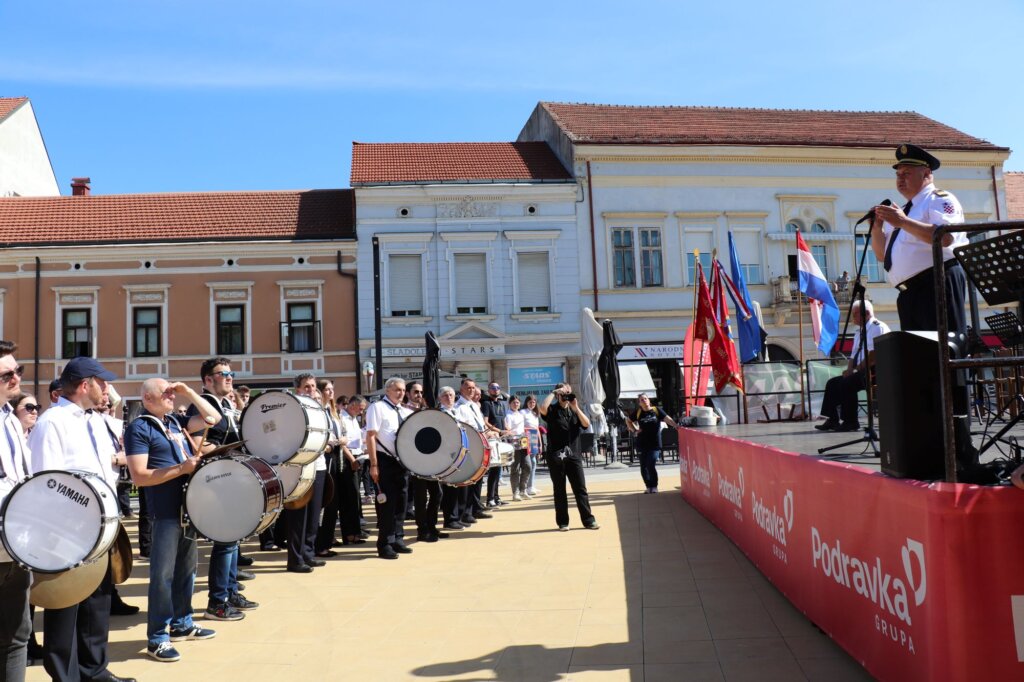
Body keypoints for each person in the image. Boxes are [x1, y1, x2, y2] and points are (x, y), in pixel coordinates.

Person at [27, 356, 136, 682]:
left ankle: (94, 669)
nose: (108, 389)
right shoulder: (52, 422)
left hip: (100, 525)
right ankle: (66, 675)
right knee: (66, 605)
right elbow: (46, 479)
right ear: (85, 385)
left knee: (97, 601)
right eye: (102, 383)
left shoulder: (93, 421)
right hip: (67, 527)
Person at [871, 143, 974, 466]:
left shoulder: (939, 199)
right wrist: (878, 228)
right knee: (921, 367)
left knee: (946, 362)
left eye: (907, 173)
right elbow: (881, 255)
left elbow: (946, 237)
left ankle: (959, 448)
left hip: (937, 282)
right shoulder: (909, 209)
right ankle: (931, 443)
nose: (900, 179)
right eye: (898, 174)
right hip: (911, 292)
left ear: (926, 174)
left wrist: (901, 222)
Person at [125, 378, 220, 662]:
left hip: (186, 508)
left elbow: (212, 418)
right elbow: (139, 477)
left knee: (186, 572)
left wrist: (189, 391)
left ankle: (182, 623)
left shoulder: (175, 422)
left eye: (171, 391)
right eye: (165, 392)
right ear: (147, 398)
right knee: (162, 577)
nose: (171, 395)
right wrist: (182, 468)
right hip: (164, 511)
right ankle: (157, 637)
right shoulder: (140, 427)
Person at [186, 357, 257, 619]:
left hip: (231, 478)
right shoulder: (205, 405)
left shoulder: (226, 405)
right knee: (225, 541)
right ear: (207, 380)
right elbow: (194, 442)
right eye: (222, 373)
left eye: (231, 373)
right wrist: (221, 450)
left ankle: (229, 590)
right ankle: (217, 601)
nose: (229, 377)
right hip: (216, 480)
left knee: (232, 540)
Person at [0, 342, 32, 682]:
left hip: (17, 544)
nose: (15, 378)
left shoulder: (11, 418)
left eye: (17, 371)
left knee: (16, 638)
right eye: (7, 374)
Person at [815, 300, 891, 432]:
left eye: (855, 314)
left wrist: (854, 370)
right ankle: (832, 419)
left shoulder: (877, 327)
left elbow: (873, 356)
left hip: (876, 370)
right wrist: (849, 369)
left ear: (866, 313)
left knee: (848, 383)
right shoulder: (859, 332)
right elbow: (853, 355)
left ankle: (851, 421)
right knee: (832, 383)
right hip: (861, 370)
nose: (853, 318)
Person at [539, 383, 599, 531]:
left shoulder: (574, 411)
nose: (566, 396)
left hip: (574, 455)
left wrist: (576, 407)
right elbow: (542, 408)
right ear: (558, 394)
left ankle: (588, 520)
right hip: (556, 456)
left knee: (580, 489)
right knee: (559, 490)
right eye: (563, 393)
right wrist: (554, 392)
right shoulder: (552, 410)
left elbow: (586, 423)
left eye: (568, 393)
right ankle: (563, 522)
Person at [365, 377, 413, 559]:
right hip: (385, 461)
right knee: (387, 505)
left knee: (401, 503)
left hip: (402, 462)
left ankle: (397, 538)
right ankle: (384, 544)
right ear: (388, 391)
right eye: (397, 390)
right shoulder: (377, 408)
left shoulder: (403, 410)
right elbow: (371, 436)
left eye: (402, 390)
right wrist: (374, 464)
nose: (401, 393)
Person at [284, 373, 328, 572]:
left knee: (313, 515)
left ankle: (308, 553)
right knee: (298, 516)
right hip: (299, 468)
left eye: (313, 386)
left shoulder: (318, 409)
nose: (311, 390)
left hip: (318, 466)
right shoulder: (293, 410)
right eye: (307, 387)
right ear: (298, 390)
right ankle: (295, 559)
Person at [454, 380, 498, 525]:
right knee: (468, 481)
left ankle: (474, 508)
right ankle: (465, 512)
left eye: (473, 388)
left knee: (477, 479)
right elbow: (461, 428)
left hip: (479, 445)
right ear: (461, 389)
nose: (471, 390)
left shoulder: (473, 405)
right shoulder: (459, 407)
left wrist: (488, 432)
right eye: (468, 388)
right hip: (469, 447)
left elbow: (480, 425)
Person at [625, 393, 678, 494]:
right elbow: (628, 421)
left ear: (649, 400)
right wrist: (635, 430)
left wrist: (675, 426)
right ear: (639, 403)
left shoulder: (656, 410)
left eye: (645, 398)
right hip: (641, 443)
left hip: (655, 444)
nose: (644, 400)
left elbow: (667, 418)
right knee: (643, 466)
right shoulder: (638, 412)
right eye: (641, 400)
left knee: (650, 464)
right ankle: (648, 486)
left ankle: (654, 486)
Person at [315, 378, 343, 557]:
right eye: (327, 390)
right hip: (324, 456)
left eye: (332, 389)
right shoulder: (319, 411)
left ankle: (327, 540)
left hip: (334, 456)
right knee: (325, 504)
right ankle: (320, 544)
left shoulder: (330, 411)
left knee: (333, 502)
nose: (331, 392)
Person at [337, 396, 368, 545]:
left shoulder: (353, 418)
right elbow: (343, 443)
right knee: (349, 498)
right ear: (353, 405)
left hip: (357, 458)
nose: (362, 412)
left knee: (355, 498)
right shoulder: (342, 418)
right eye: (360, 409)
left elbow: (355, 440)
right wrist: (352, 460)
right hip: (348, 461)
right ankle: (349, 533)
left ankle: (355, 531)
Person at [481, 382, 510, 507]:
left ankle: (496, 498)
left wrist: (507, 430)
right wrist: (499, 431)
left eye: (498, 387)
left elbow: (503, 420)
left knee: (499, 470)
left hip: (501, 439)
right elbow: (485, 422)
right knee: (493, 470)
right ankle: (490, 499)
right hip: (492, 439)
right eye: (493, 388)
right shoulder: (486, 403)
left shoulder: (502, 403)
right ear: (489, 390)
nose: (496, 390)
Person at [505, 395, 532, 501]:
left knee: (528, 466)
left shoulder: (521, 414)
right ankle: (515, 493)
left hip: (523, 441)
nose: (516, 404)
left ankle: (523, 490)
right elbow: (507, 429)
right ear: (510, 403)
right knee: (515, 468)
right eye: (514, 402)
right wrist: (512, 433)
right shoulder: (508, 415)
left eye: (517, 402)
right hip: (513, 442)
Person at [522, 395, 542, 496]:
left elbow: (537, 429)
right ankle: (525, 487)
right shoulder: (523, 412)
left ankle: (531, 486)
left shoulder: (535, 413)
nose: (532, 404)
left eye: (534, 402)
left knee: (533, 462)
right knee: (528, 463)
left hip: (534, 437)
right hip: (526, 437)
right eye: (530, 402)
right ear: (526, 402)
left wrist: (540, 443)